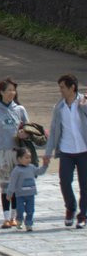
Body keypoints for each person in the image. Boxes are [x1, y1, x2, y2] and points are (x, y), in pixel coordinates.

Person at [0, 77, 30, 228]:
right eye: (8, 90)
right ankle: (6, 217)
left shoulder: (20, 110)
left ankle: (14, 217)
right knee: (4, 185)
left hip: (17, 152)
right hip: (1, 152)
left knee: (15, 185)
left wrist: (25, 134)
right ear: (1, 92)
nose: (11, 93)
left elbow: (30, 130)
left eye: (13, 90)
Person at [42, 73, 87, 228]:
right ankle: (70, 208)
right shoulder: (59, 107)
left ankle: (83, 215)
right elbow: (54, 131)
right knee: (65, 182)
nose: (60, 90)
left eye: (62, 87)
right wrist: (48, 153)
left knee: (85, 184)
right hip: (66, 151)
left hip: (84, 150)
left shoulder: (84, 101)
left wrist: (85, 106)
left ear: (72, 87)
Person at [6, 146, 48, 231]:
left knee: (30, 210)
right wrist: (9, 193)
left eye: (30, 157)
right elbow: (12, 183)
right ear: (19, 159)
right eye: (26, 157)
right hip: (20, 195)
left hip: (30, 194)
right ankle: (19, 220)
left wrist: (45, 165)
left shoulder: (31, 167)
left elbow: (39, 172)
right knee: (20, 210)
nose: (29, 159)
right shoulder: (16, 170)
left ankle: (29, 224)